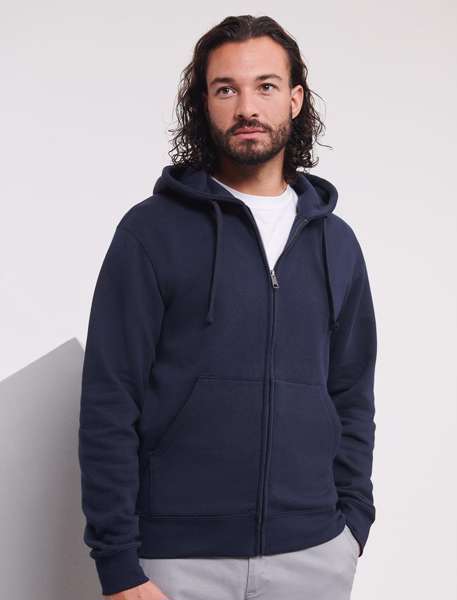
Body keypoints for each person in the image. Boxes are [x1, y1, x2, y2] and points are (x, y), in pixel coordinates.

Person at [78, 14, 377, 600]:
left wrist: (351, 526)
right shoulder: (150, 232)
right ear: (203, 104)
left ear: (294, 99)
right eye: (225, 89)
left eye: (265, 86)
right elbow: (110, 398)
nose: (247, 107)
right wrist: (118, 564)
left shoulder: (336, 243)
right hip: (176, 562)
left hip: (313, 555)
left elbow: (351, 394)